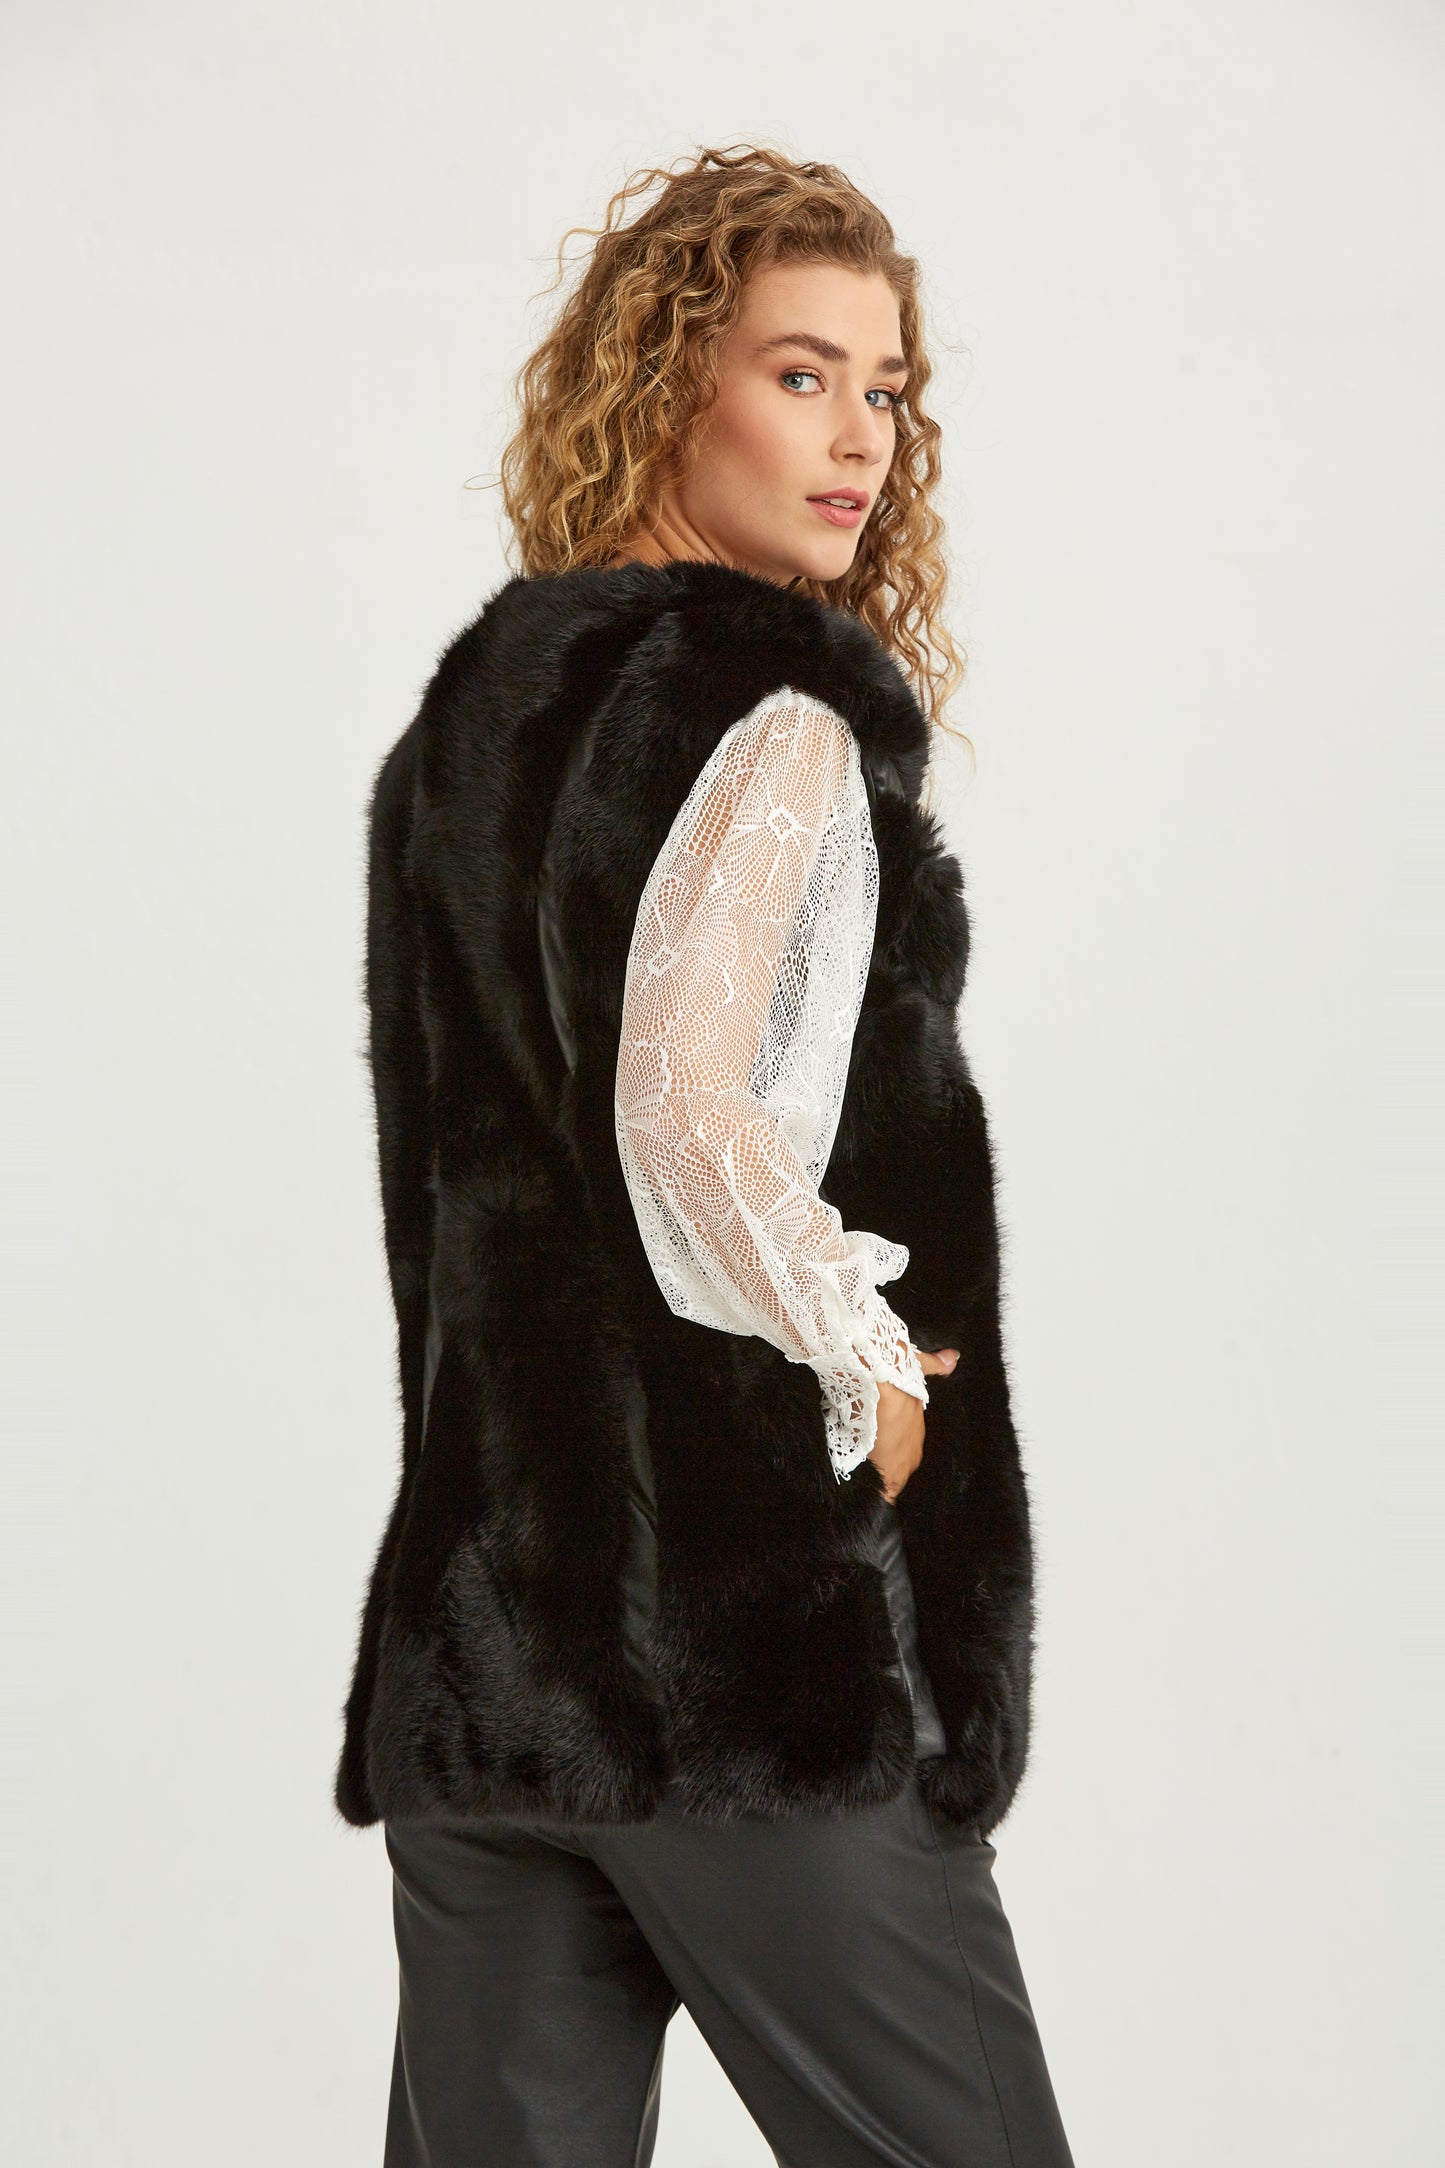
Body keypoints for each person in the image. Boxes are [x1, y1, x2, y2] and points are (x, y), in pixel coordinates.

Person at [335, 145, 1075, 2167]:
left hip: (487, 1664)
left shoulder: (473, 718)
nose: (860, 437)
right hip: (740, 1669)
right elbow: (680, 1106)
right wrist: (867, 1357)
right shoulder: (776, 712)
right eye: (798, 374)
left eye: (885, 387)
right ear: (670, 386)